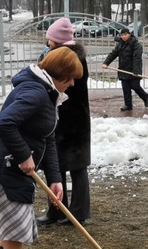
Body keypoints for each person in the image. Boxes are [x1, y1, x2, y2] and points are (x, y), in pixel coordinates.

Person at [0, 46, 83, 249]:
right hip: (5, 175)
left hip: (14, 174)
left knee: (10, 236)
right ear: (61, 74)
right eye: (71, 77)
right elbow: (5, 123)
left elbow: (47, 138)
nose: (73, 83)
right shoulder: (36, 93)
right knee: (14, 236)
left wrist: (55, 179)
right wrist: (24, 156)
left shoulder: (47, 93)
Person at [35, 17, 92, 226]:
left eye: (49, 38)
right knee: (67, 166)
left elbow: (48, 84)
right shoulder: (72, 55)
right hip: (74, 118)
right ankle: (67, 211)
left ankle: (67, 212)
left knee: (62, 166)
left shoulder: (64, 58)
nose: (47, 41)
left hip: (66, 119)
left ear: (56, 40)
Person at [102, 28, 148, 111]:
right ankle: (128, 105)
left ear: (129, 34)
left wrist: (136, 71)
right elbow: (113, 54)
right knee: (126, 88)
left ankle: (145, 97)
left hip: (134, 70)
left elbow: (137, 58)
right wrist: (106, 63)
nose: (124, 36)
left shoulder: (136, 45)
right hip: (123, 69)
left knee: (135, 86)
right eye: (122, 35)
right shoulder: (120, 44)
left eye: (125, 34)